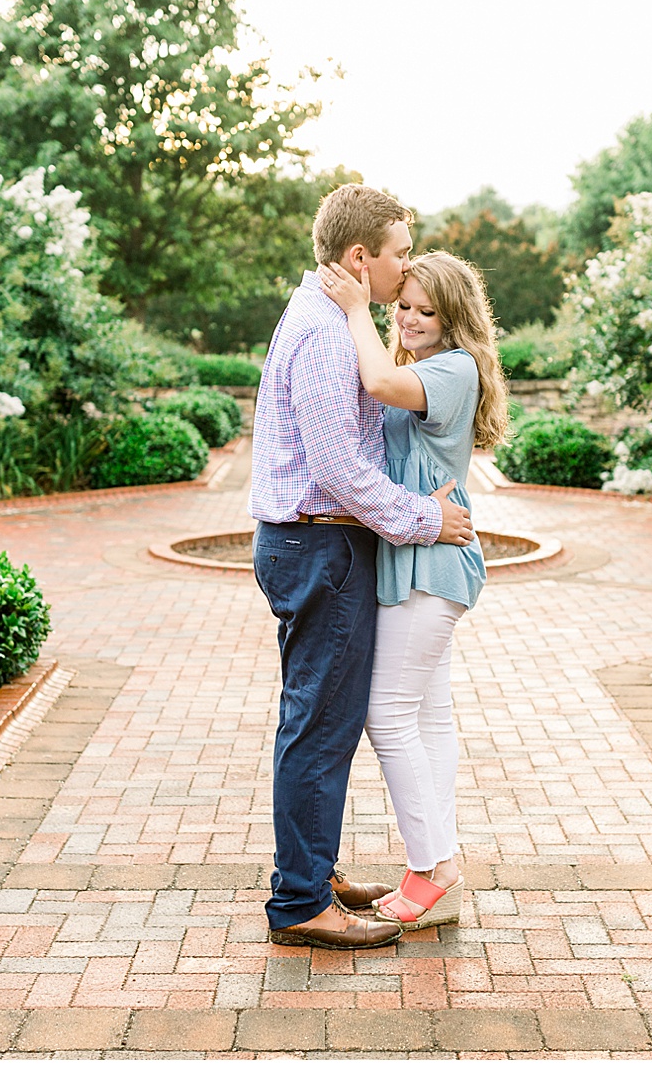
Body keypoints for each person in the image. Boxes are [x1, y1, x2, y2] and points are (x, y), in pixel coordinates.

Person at [247, 184, 476, 951]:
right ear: (359, 257)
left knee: (326, 720)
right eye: (399, 253)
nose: (404, 267)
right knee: (320, 723)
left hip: (325, 543)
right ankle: (301, 900)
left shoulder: (330, 320)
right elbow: (340, 466)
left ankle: (312, 871)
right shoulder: (325, 332)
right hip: (320, 543)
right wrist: (425, 519)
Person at [317, 249, 509, 930]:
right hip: (417, 558)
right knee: (427, 716)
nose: (411, 318)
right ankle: (439, 866)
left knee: (386, 713)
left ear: (456, 319)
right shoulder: (419, 367)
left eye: (429, 310)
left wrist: (352, 308)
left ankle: (435, 867)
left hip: (434, 566)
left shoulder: (453, 369)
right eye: (405, 306)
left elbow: (373, 381)